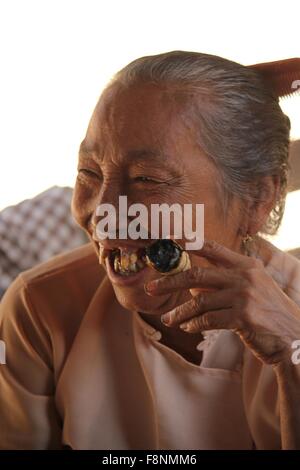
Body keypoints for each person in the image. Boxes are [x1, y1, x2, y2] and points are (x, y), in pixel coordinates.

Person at [0, 51, 300, 450]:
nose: (104, 213)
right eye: (88, 172)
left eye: (147, 179)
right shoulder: (39, 309)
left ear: (258, 200)